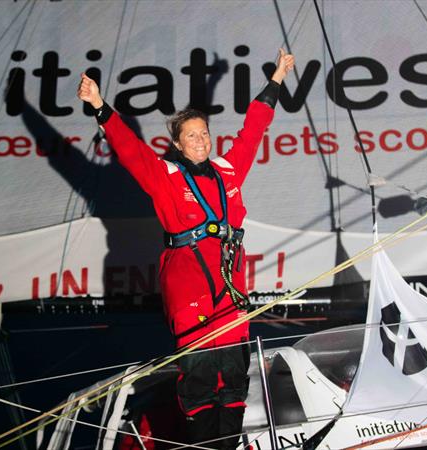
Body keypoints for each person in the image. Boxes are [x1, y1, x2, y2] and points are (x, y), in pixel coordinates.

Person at [77, 49, 295, 449]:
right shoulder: (165, 175)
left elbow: (255, 128)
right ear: (177, 144)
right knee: (198, 376)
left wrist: (277, 77)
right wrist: (98, 106)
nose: (201, 140)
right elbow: (129, 150)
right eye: (191, 135)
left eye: (205, 133)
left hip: (229, 285)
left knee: (232, 375)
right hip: (188, 282)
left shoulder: (229, 170)